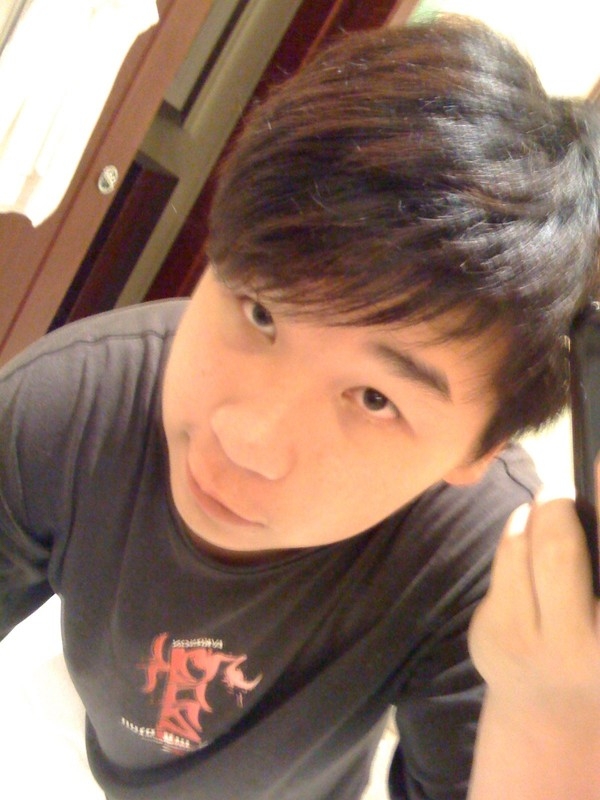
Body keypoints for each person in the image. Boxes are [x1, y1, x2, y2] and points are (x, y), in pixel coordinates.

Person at [1, 14, 599, 800]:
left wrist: (555, 732)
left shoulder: (479, 568)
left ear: (481, 449)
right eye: (260, 312)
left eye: (375, 398)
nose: (247, 436)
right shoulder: (71, 402)